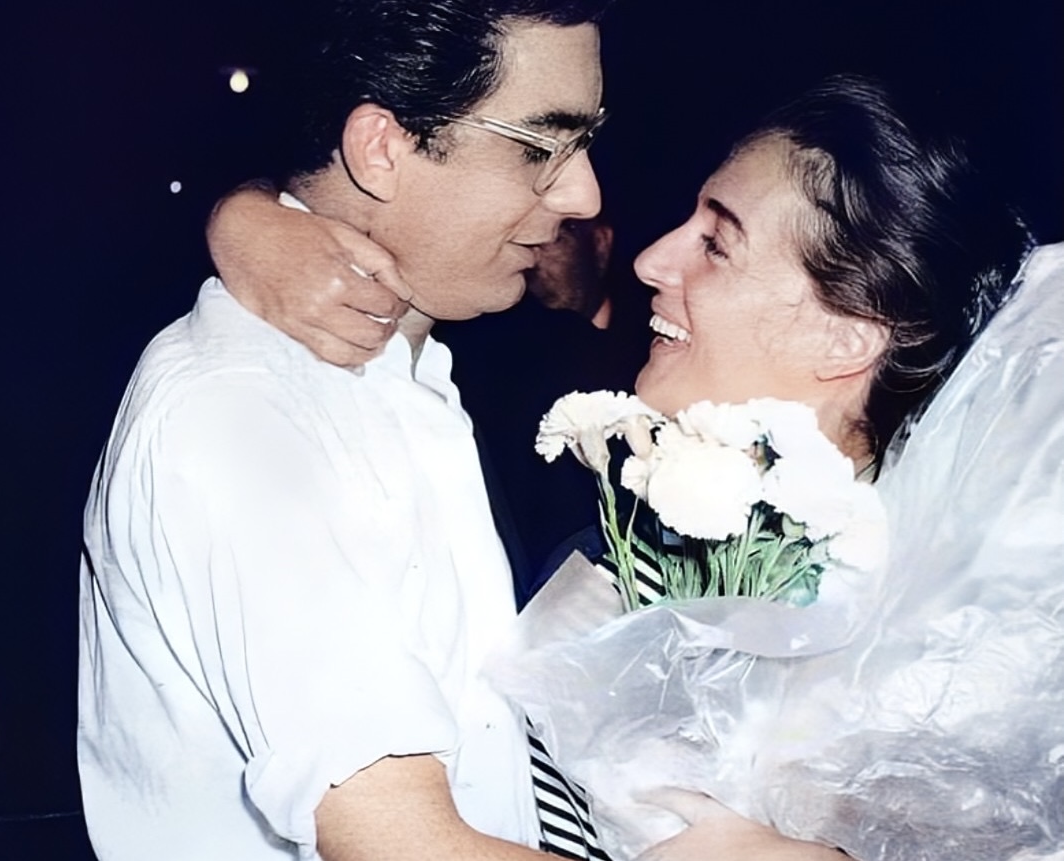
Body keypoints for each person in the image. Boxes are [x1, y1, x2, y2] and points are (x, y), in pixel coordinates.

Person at [205, 75, 1038, 859]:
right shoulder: (586, 479)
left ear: (846, 335)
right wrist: (243, 217)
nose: (650, 260)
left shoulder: (941, 655)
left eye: (717, 243)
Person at [78, 1, 612, 859]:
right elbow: (400, 839)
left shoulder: (404, 365)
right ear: (382, 148)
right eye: (541, 146)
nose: (584, 193)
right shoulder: (244, 408)